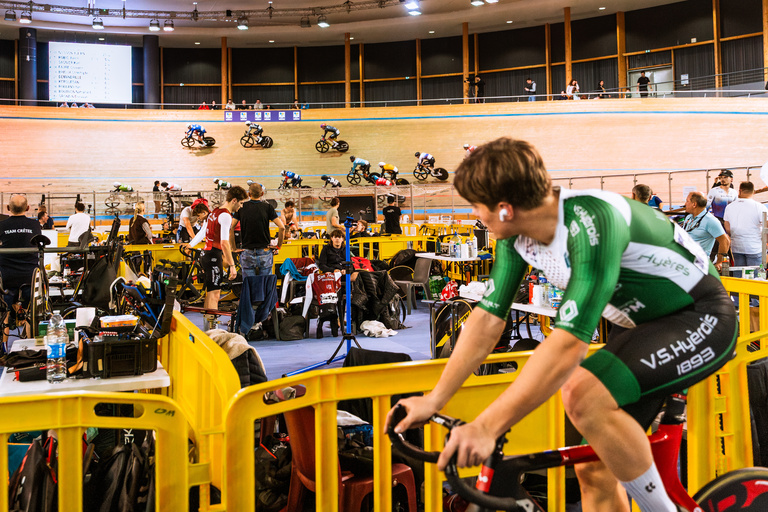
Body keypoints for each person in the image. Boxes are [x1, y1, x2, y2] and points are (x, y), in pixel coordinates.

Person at [387, 138, 738, 512]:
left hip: (700, 317)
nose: (477, 215)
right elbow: (487, 320)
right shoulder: (516, 234)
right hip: (643, 325)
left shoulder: (591, 221)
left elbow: (569, 344)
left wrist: (487, 427)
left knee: (581, 394)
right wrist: (435, 399)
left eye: (477, 206)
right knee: (593, 469)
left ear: (505, 208)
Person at [188, 186, 248, 319]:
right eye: (241, 203)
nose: (241, 207)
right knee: (215, 294)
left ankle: (208, 326)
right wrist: (232, 265)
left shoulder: (215, 211)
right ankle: (212, 327)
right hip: (213, 256)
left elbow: (205, 233)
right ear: (234, 200)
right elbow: (224, 243)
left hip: (207, 255)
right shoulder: (225, 216)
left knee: (211, 293)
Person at [0, 194, 42, 342]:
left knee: (4, 312)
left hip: (7, 275)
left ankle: (3, 347)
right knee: (30, 311)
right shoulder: (35, 225)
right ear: (28, 207)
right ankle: (30, 347)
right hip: (29, 275)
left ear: (8, 208)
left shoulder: (2, 225)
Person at [231, 182, 284, 277]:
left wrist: (234, 248)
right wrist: (278, 245)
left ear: (249, 194)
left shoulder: (242, 207)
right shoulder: (267, 207)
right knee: (265, 284)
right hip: (264, 251)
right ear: (262, 194)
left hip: (246, 250)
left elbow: (231, 226)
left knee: (249, 284)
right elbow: (282, 227)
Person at [683, 191, 731, 272]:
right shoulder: (689, 218)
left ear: (694, 204)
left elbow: (725, 240)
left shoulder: (710, 220)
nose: (685, 204)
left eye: (687, 201)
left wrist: (719, 262)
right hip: (686, 262)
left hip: (699, 266)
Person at [723, 181, 768, 267]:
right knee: (755, 278)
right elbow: (767, 226)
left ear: (739, 191)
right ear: (753, 192)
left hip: (737, 246)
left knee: (739, 276)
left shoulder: (729, 207)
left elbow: (727, 228)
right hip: (754, 247)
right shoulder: (759, 207)